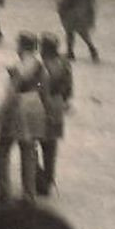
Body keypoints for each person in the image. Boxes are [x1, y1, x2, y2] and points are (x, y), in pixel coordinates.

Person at [0, 33, 48, 204]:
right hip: (35, 106)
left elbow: (11, 96)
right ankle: (29, 196)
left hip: (18, 108)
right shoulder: (39, 65)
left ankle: (3, 193)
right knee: (29, 153)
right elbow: (45, 91)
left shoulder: (17, 68)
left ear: (21, 46)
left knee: (2, 151)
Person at [36, 35, 72, 197]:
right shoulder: (65, 63)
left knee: (31, 143)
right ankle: (48, 180)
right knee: (51, 147)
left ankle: (39, 177)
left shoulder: (42, 66)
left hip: (43, 105)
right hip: (58, 104)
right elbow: (69, 88)